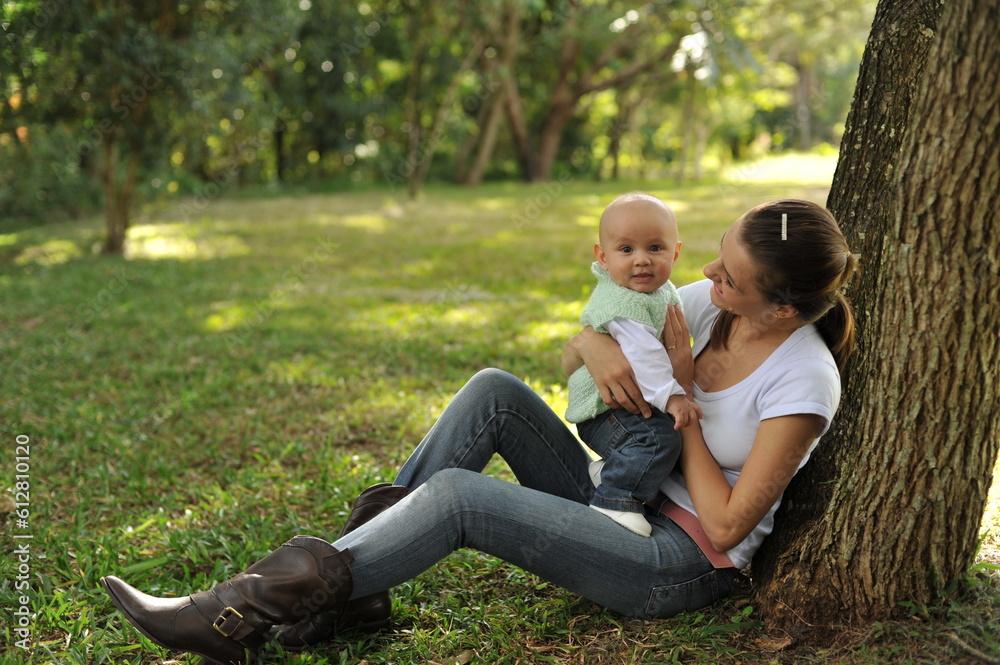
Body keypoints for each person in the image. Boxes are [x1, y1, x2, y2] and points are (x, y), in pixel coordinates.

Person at [100, 198, 857, 665]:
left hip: (676, 559)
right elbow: (587, 345)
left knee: (464, 500)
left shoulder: (802, 382)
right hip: (617, 491)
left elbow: (727, 522)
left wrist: (681, 400)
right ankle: (350, 593)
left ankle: (237, 611)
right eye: (716, 262)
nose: (710, 284)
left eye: (730, 279)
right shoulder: (704, 303)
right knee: (494, 390)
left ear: (782, 308)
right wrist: (591, 345)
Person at [566, 192, 701, 537]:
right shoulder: (624, 303)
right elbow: (645, 358)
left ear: (676, 252)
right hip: (602, 409)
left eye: (655, 248)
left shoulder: (660, 291)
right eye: (626, 250)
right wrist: (674, 397)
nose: (642, 260)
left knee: (657, 434)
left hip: (624, 406)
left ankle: (612, 470)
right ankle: (614, 498)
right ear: (604, 257)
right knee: (659, 440)